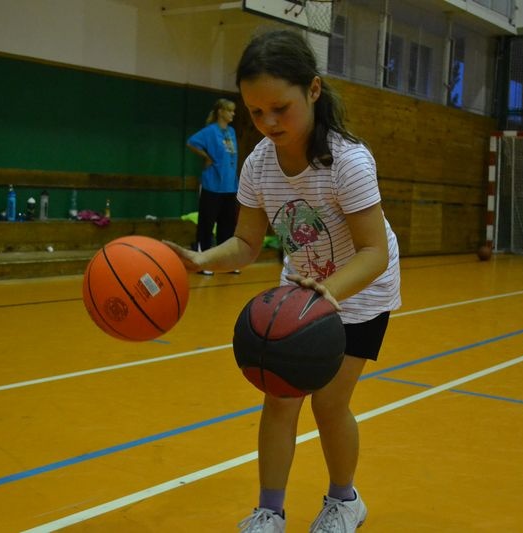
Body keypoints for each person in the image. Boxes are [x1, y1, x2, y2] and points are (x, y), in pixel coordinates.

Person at [166, 29, 400, 533]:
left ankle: (345, 501)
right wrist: (198, 259)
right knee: (280, 399)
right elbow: (246, 244)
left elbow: (374, 253)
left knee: (329, 403)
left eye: (280, 108)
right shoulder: (258, 164)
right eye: (256, 112)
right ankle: (268, 512)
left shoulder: (348, 162)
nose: (268, 122)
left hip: (361, 291)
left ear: (313, 90)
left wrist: (329, 294)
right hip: (302, 290)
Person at [186, 98, 239, 275]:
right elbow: (191, 142)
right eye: (230, 110)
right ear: (220, 112)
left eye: (233, 111)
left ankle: (225, 261)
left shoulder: (231, 131)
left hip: (230, 186)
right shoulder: (210, 131)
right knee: (206, 224)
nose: (233, 114)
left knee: (227, 225)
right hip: (212, 185)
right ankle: (203, 262)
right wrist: (206, 157)